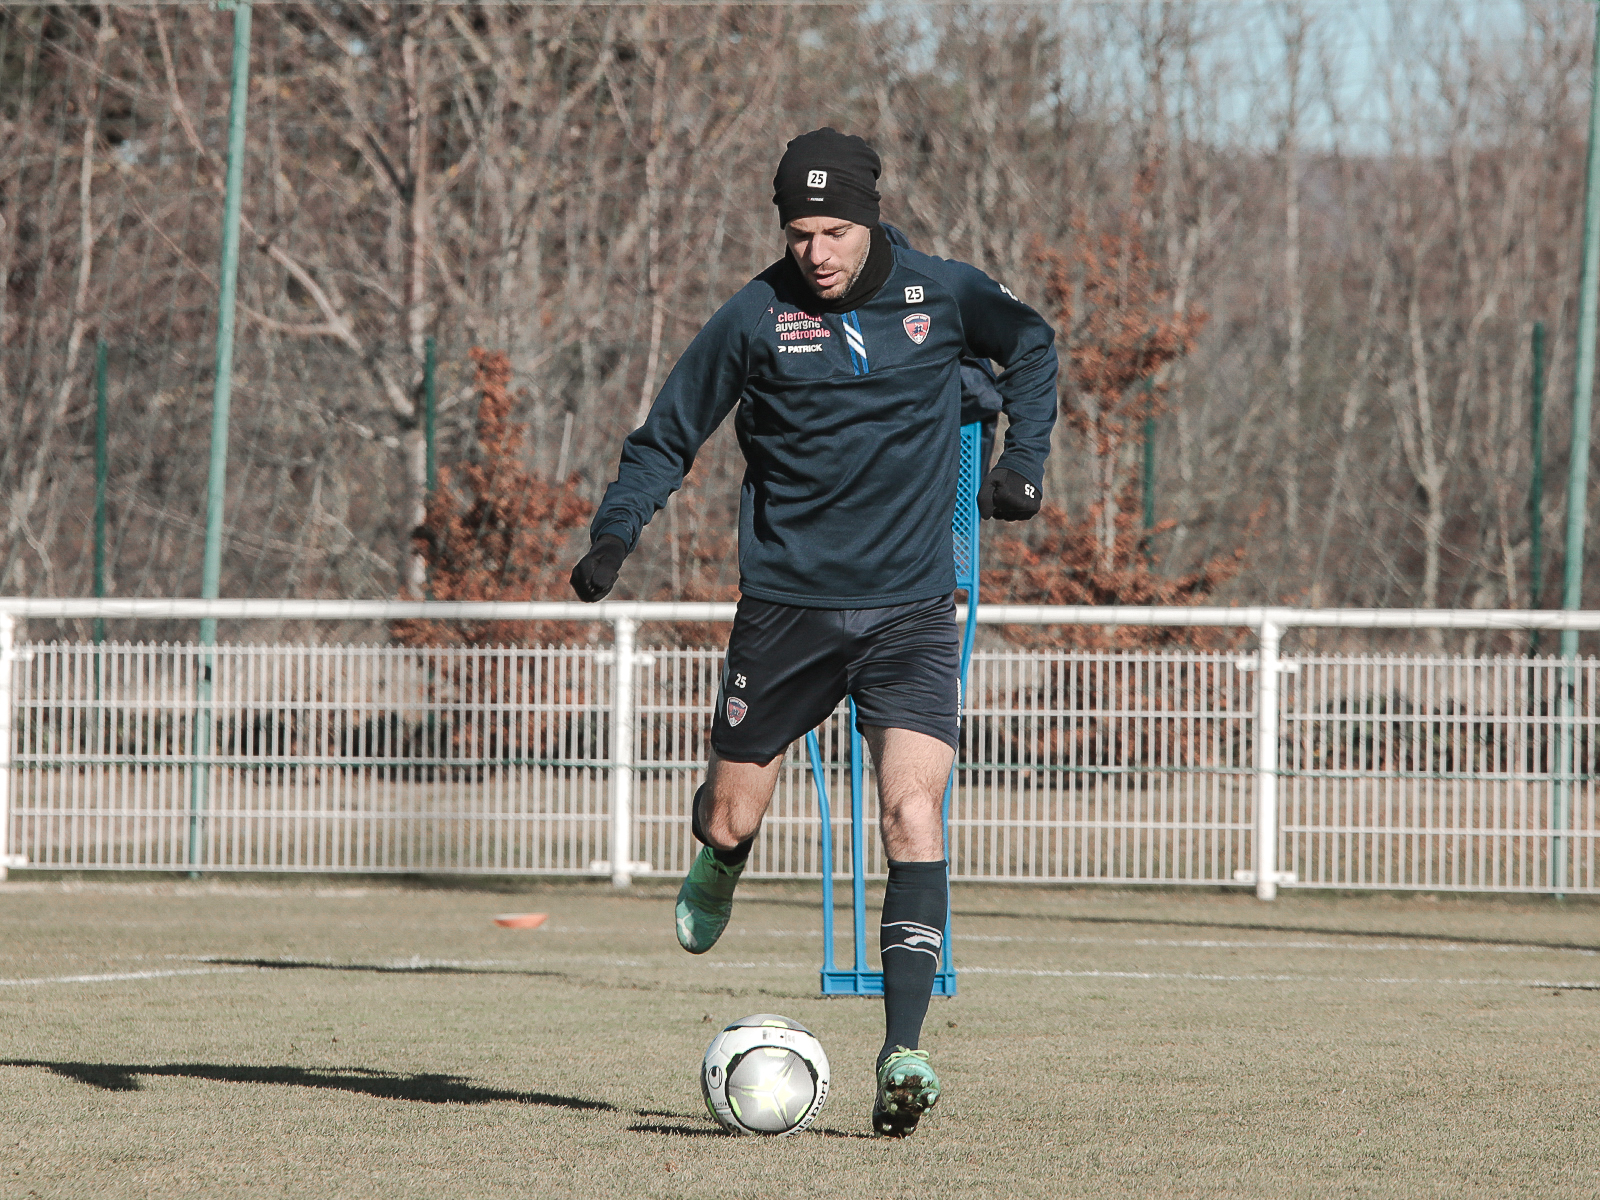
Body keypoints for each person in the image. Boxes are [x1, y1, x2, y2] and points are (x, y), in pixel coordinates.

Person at [571, 128, 1057, 1137]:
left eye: (833, 230)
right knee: (732, 815)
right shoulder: (755, 316)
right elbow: (670, 431)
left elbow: (1034, 346)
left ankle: (903, 1050)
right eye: (799, 232)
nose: (816, 252)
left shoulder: (941, 293)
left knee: (912, 816)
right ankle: (718, 860)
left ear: (870, 219)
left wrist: (1024, 466)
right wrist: (616, 536)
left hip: (911, 610)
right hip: (786, 610)